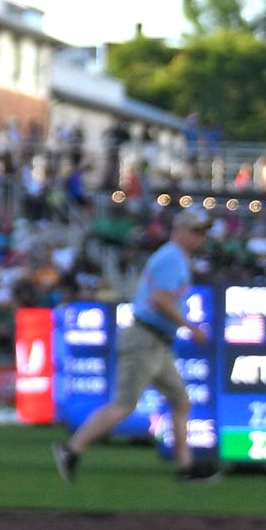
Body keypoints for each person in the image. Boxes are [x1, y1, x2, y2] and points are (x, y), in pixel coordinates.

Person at [59, 206, 215, 485]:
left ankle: (186, 466)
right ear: (180, 232)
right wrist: (190, 327)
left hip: (157, 341)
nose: (201, 237)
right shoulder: (172, 258)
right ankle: (71, 449)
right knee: (124, 405)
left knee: (180, 402)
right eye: (196, 231)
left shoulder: (175, 258)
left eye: (203, 232)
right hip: (145, 338)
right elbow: (160, 300)